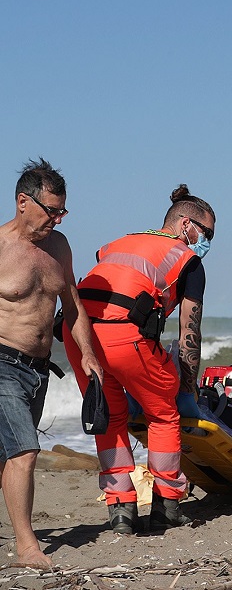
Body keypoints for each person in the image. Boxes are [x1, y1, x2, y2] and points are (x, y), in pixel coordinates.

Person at [64, 184, 216, 534]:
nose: (206, 243)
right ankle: (166, 505)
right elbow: (189, 335)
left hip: (76, 336)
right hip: (123, 337)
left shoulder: (119, 243)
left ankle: (121, 511)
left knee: (111, 417)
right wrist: (187, 388)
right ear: (186, 224)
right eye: (206, 233)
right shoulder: (187, 260)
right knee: (163, 414)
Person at [0, 159, 103, 568]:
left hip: (39, 368)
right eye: (51, 211)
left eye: (63, 211)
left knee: (7, 456)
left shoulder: (59, 247)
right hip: (2, 360)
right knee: (25, 451)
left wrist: (90, 356)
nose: (57, 219)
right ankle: (27, 547)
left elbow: (74, 307)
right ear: (23, 202)